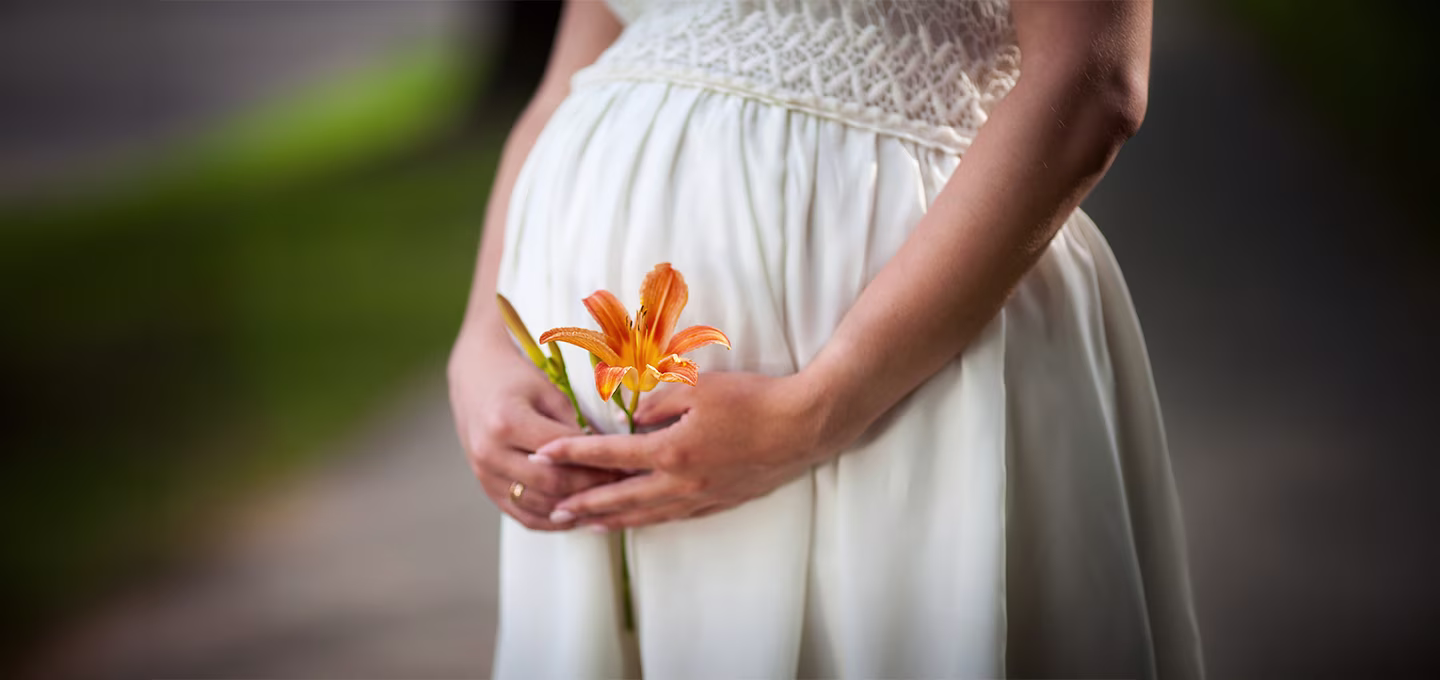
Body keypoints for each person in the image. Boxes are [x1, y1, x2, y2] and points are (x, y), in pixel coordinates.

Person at [447, 0, 1204, 677]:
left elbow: (1091, 80)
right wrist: (480, 341)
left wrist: (818, 409)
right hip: (604, 458)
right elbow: (567, 77)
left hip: (903, 377)